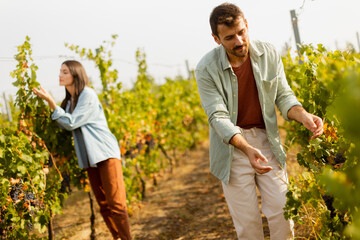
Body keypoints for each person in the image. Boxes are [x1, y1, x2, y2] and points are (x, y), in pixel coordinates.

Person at [195, 3, 323, 240]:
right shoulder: (205, 68)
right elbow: (217, 116)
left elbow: (283, 95)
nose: (239, 41)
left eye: (242, 32)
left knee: (284, 214)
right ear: (216, 39)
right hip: (233, 148)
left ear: (247, 26)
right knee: (249, 227)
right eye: (230, 37)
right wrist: (246, 147)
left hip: (267, 142)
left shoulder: (269, 54)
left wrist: (303, 115)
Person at [33, 60, 131, 240]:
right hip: (89, 158)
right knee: (103, 205)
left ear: (75, 75)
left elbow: (71, 123)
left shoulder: (88, 95)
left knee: (116, 204)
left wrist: (50, 102)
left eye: (65, 72)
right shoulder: (70, 102)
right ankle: (118, 238)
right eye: (60, 71)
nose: (60, 75)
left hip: (105, 153)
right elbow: (64, 123)